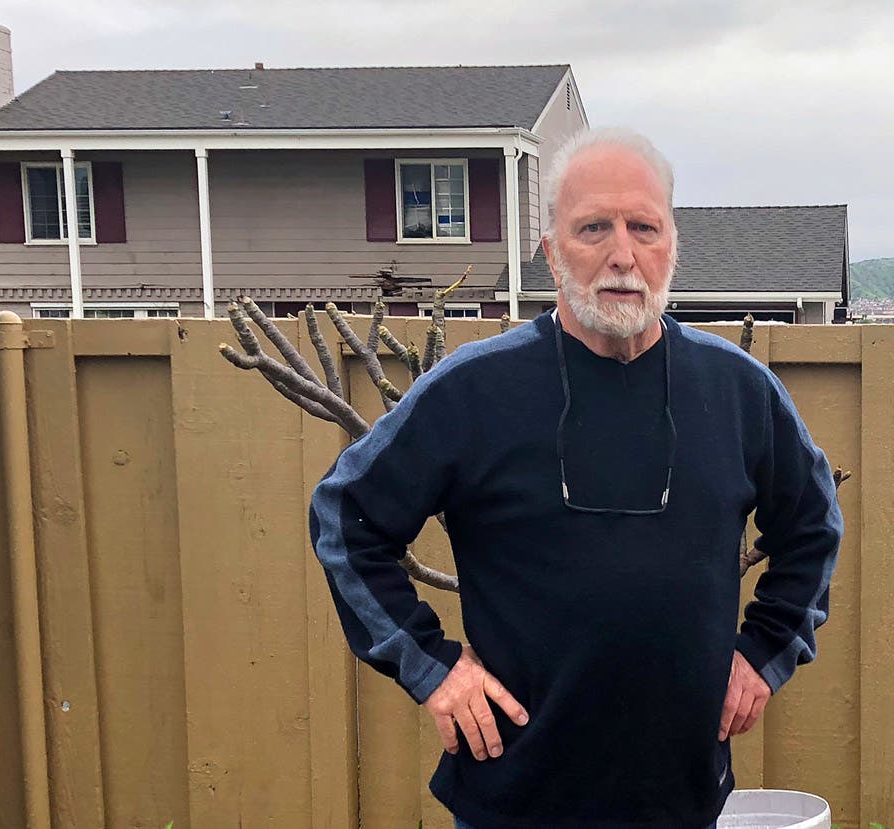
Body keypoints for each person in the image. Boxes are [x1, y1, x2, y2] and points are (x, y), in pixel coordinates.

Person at [309, 127, 843, 829]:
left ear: (672, 245)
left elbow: (812, 526)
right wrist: (432, 668)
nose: (623, 254)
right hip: (515, 800)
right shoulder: (475, 391)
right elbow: (345, 518)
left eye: (644, 227)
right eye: (593, 228)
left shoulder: (738, 392)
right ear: (552, 251)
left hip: (681, 799)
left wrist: (766, 649)